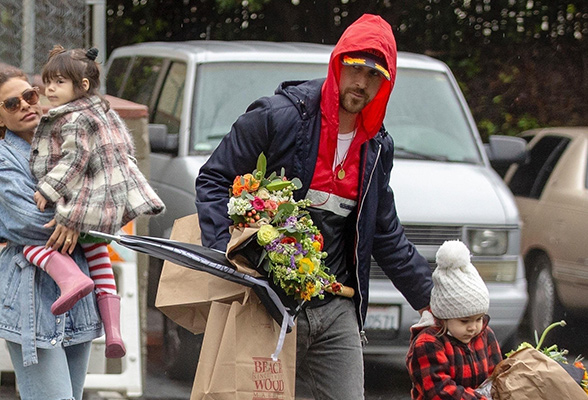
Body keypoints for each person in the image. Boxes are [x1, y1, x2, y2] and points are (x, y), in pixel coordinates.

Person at [196, 13, 433, 399]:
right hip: (266, 301)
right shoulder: (278, 117)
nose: (361, 82)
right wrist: (229, 258)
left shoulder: (376, 148)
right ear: (337, 63)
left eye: (375, 75)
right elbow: (214, 179)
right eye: (354, 68)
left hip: (336, 307)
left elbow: (385, 234)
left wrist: (433, 301)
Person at [26, 45, 165, 359]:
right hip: (107, 201)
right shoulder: (103, 112)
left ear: (82, 86)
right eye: (47, 81)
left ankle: (72, 280)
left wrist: (48, 188)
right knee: (99, 255)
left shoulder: (75, 118)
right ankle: (114, 331)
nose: (49, 89)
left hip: (83, 201)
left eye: (58, 82)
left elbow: (75, 160)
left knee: (30, 241)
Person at [0, 68, 103, 400]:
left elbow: (112, 202)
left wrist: (75, 218)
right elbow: (28, 222)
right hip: (28, 298)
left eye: (30, 95)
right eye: (12, 103)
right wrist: (80, 217)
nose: (25, 104)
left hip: (79, 298)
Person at [406, 240, 502, 399]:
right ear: (444, 317)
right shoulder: (428, 344)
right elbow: (439, 391)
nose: (473, 327)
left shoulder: (485, 335)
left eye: (479, 319)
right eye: (465, 321)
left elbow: (497, 376)